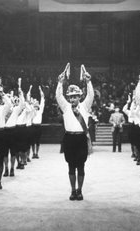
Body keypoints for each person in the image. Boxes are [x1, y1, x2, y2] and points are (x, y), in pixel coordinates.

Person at [55, 66, 94, 201]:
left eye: (75, 97)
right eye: (70, 97)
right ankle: (72, 191)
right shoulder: (65, 107)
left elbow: (91, 95)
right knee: (71, 166)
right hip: (69, 139)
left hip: (81, 139)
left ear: (79, 96)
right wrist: (60, 82)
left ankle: (80, 190)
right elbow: (58, 96)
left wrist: (88, 82)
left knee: (81, 166)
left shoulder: (85, 106)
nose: (72, 99)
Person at [3, 88, 25, 177]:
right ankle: (6, 169)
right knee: (4, 153)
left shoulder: (15, 109)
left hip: (13, 131)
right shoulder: (2, 109)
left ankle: (12, 168)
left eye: (9, 98)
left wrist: (21, 94)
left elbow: (22, 104)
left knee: (13, 153)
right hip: (4, 132)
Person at [31, 86, 45, 159]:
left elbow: (42, 98)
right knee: (33, 141)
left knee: (38, 141)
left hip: (38, 126)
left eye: (37, 103)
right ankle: (33, 153)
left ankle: (37, 153)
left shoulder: (40, 111)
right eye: (35, 104)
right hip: (33, 126)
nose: (36, 104)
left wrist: (40, 90)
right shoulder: (32, 110)